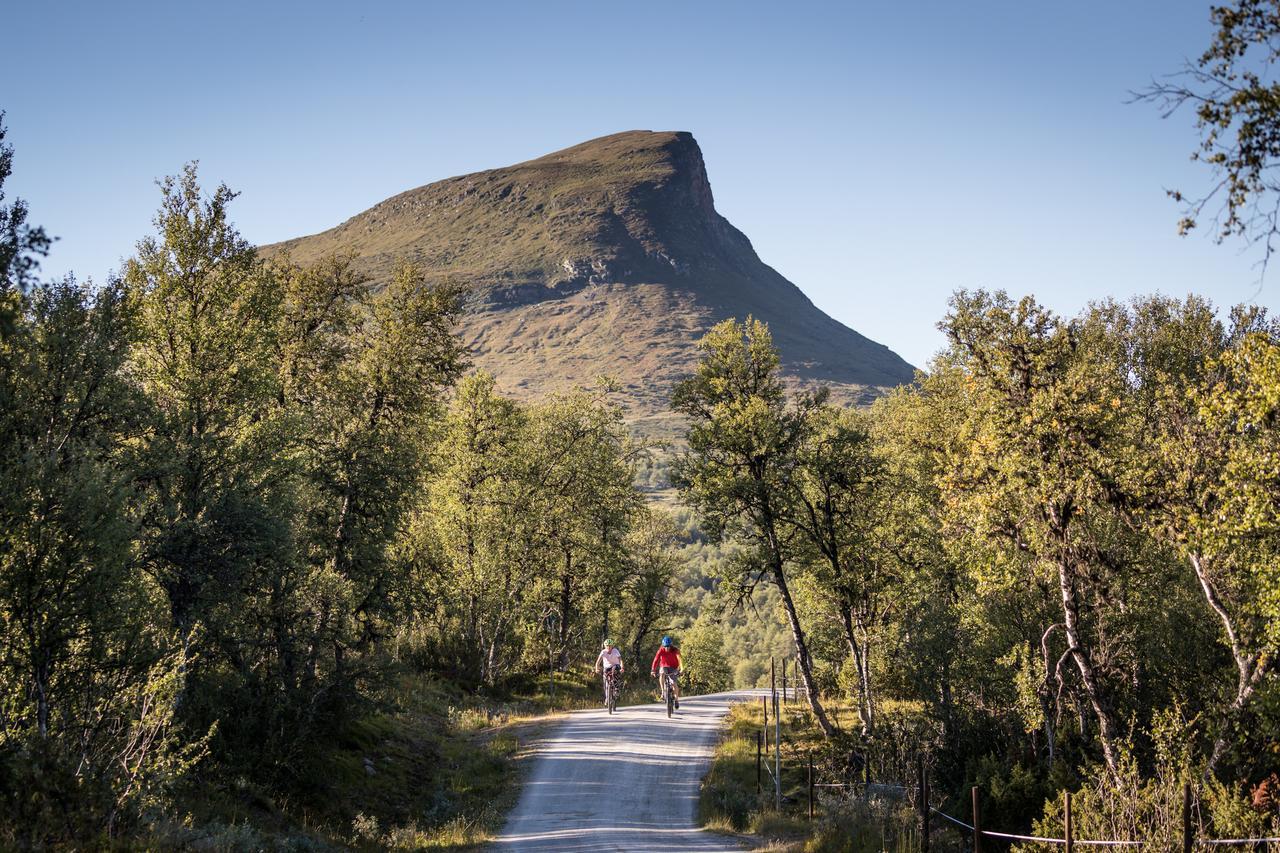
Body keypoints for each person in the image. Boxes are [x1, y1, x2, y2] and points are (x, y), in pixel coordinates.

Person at [650, 635, 682, 709]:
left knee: (674, 683)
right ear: (663, 645)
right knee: (661, 674)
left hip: (674, 667)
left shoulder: (675, 650)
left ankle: (676, 699)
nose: (667, 648)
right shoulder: (661, 650)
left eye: (668, 646)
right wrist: (653, 670)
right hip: (664, 666)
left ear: (671, 645)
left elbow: (680, 660)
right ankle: (663, 691)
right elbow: (656, 660)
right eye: (665, 646)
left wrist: (681, 669)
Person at [594, 639, 624, 706]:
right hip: (607, 667)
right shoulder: (603, 652)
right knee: (606, 684)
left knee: (615, 671)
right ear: (605, 646)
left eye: (610, 646)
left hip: (615, 666)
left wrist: (622, 668)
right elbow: (598, 662)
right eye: (607, 646)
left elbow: (620, 660)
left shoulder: (615, 651)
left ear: (612, 646)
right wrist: (597, 669)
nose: (609, 647)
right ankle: (607, 698)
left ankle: (616, 689)